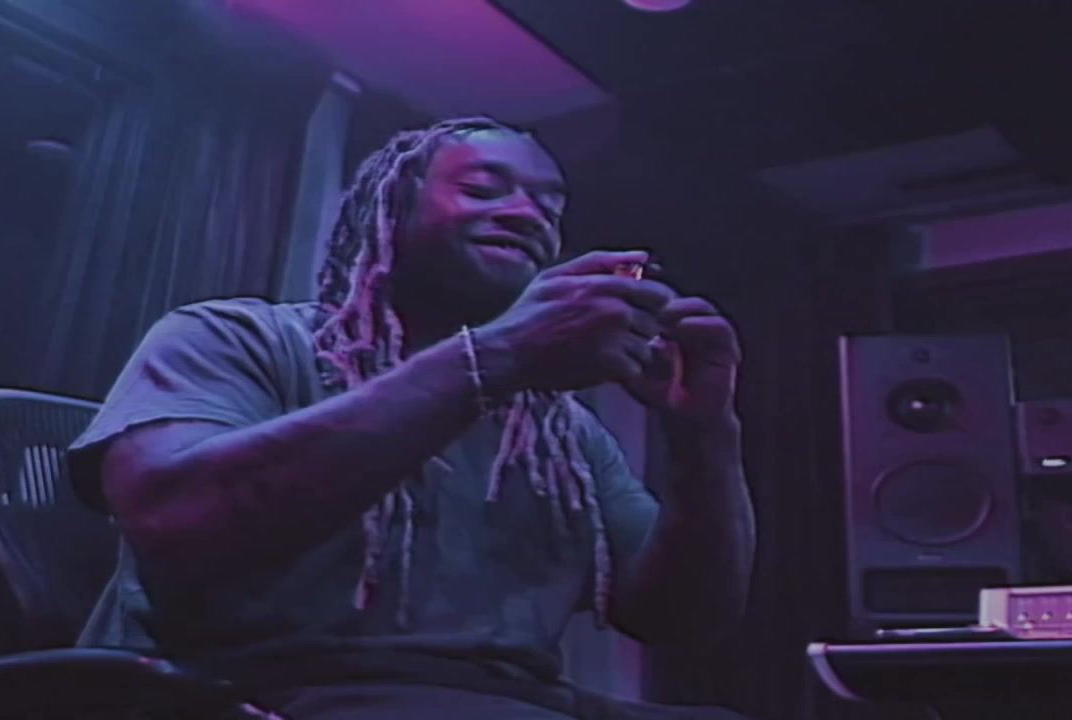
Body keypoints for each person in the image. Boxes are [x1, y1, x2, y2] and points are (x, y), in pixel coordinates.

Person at [69, 116, 756, 719]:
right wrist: (500, 355)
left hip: (512, 701)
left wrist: (704, 433)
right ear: (391, 209)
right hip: (258, 693)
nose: (528, 215)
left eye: (550, 208)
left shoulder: (561, 433)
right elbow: (172, 518)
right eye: (484, 189)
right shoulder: (235, 338)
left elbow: (686, 620)